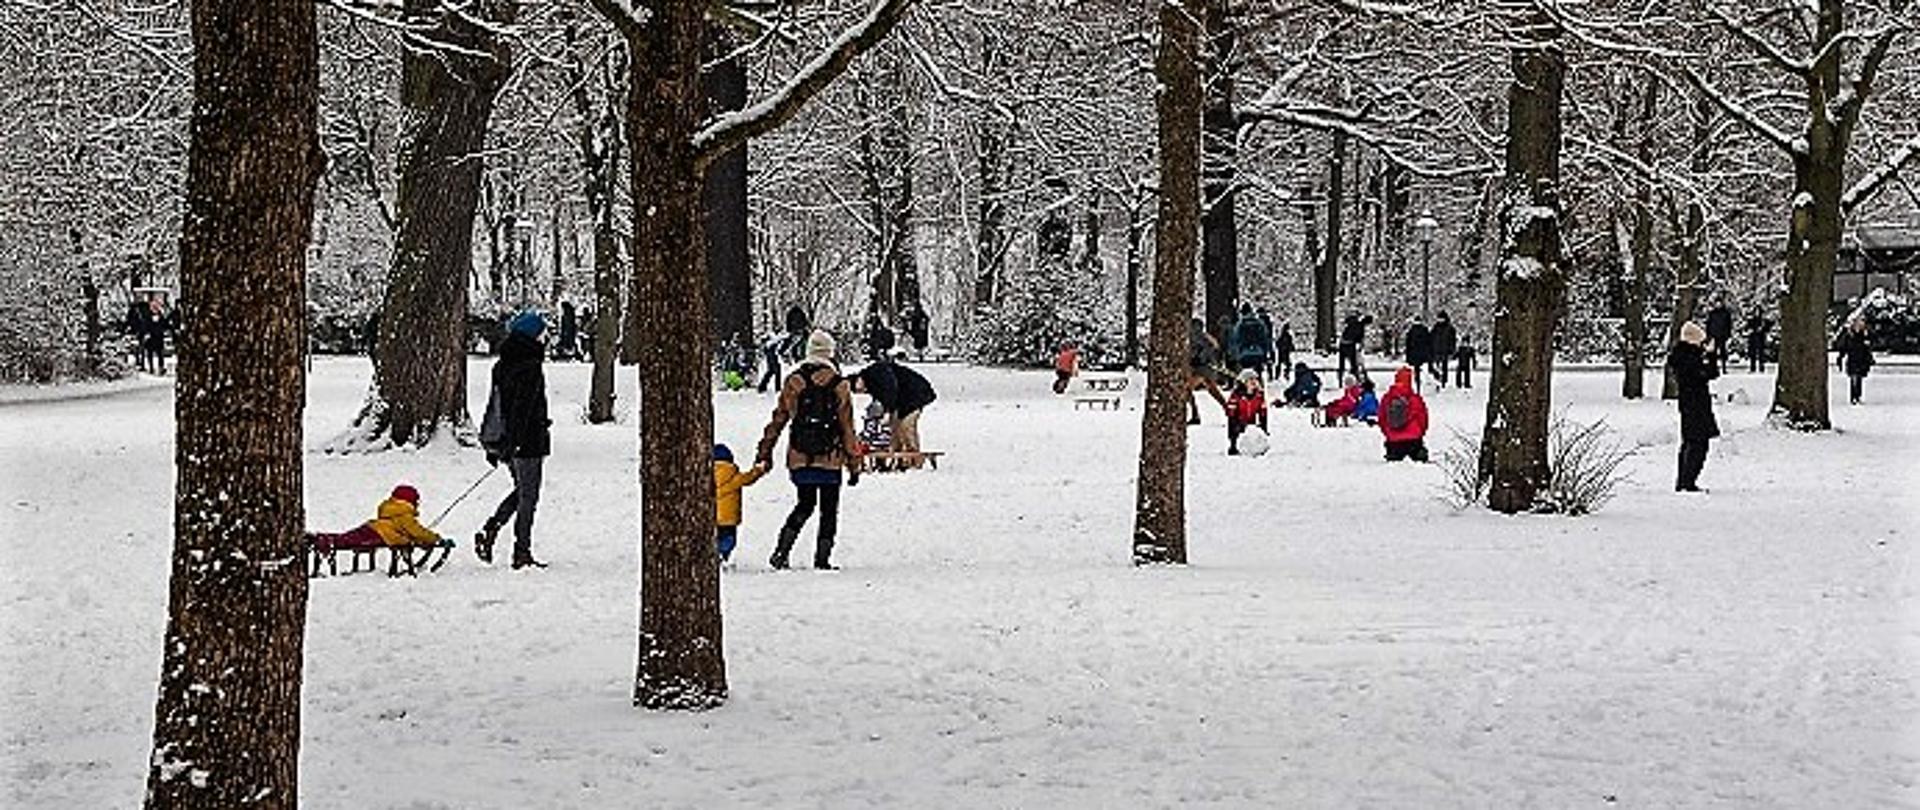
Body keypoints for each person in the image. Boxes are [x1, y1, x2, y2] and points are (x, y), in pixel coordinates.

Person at [755, 330, 864, 570]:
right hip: (830, 458)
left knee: (804, 504)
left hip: (800, 457)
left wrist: (765, 452)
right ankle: (822, 559)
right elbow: (847, 429)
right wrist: (854, 464)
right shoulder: (840, 385)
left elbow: (778, 420)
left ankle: (781, 551)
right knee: (828, 510)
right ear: (830, 353)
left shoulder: (794, 381)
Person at [476, 310, 552, 570]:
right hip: (527, 442)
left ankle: (492, 528)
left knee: (522, 491)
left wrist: (498, 442)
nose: (546, 336)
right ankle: (521, 552)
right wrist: (516, 442)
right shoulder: (530, 367)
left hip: (507, 439)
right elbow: (523, 407)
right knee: (529, 496)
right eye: (543, 332)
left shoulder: (503, 364)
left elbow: (497, 405)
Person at [851, 353, 937, 462]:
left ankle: (915, 459)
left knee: (906, 427)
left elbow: (891, 388)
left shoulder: (876, 371)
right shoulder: (871, 384)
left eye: (858, 389)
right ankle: (898, 457)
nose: (862, 392)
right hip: (903, 402)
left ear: (858, 379)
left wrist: (887, 410)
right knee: (894, 428)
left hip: (916, 395)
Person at [1668, 322, 1719, 491]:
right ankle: (1688, 481)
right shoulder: (1689, 358)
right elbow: (1708, 374)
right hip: (1696, 403)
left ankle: (1684, 480)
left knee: (1689, 442)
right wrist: (1710, 356)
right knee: (1698, 443)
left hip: (1690, 403)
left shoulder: (1683, 356)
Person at [712, 444, 769, 566]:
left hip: (713, 516)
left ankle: (715, 555)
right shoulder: (733, 476)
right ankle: (722, 555)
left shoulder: (706, 477)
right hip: (729, 518)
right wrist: (759, 469)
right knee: (729, 539)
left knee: (715, 537)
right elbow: (749, 478)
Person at [367, 484, 454, 554]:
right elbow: (417, 532)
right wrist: (436, 539)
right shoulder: (403, 514)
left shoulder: (389, 511)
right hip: (380, 535)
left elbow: (403, 531)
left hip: (370, 529)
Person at [1377, 366, 1430, 462]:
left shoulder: (1387, 398)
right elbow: (1423, 419)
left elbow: (1382, 419)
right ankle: (1418, 453)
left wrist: (1388, 434)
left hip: (1393, 440)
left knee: (1395, 454)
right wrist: (1420, 434)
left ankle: (1393, 453)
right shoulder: (1415, 399)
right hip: (1413, 439)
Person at [1187, 317, 1229, 424]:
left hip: (1199, 369)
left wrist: (1196, 359)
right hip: (1209, 369)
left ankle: (1195, 414)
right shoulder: (1207, 337)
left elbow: (1194, 352)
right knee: (1214, 391)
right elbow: (1215, 349)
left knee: (1186, 390)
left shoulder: (1193, 337)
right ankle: (1229, 410)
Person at [1225, 369, 1268, 455]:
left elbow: (1263, 412)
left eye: (1255, 379)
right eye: (1250, 379)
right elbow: (1231, 413)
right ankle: (1234, 445)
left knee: (1254, 434)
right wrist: (1234, 428)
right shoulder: (1236, 395)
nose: (1254, 382)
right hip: (1238, 422)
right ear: (1244, 382)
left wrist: (1263, 427)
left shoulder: (1259, 395)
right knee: (1236, 431)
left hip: (1251, 422)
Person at [1835, 316, 1874, 405]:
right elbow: (1843, 348)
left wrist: (1870, 358)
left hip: (1862, 360)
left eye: (1861, 323)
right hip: (1852, 359)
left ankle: (1858, 396)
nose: (1860, 325)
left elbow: (1868, 348)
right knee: (1854, 378)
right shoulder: (1849, 335)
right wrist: (1840, 358)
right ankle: (1853, 397)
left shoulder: (1865, 335)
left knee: (1859, 379)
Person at [1228, 303, 1272, 374]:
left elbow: (1234, 340)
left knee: (1245, 377)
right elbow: (1266, 339)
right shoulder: (1260, 323)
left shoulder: (1239, 325)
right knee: (1258, 374)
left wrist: (1233, 355)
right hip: (1259, 353)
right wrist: (1268, 352)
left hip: (1243, 355)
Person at [1337, 313, 1369, 383]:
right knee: (1354, 364)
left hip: (1342, 344)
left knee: (1341, 364)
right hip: (1350, 345)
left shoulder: (1353, 322)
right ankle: (1357, 380)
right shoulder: (1360, 327)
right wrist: (1360, 346)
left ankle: (1340, 379)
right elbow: (1359, 339)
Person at [1429, 312, 1458, 389]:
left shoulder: (1450, 328)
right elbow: (1431, 338)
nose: (1440, 320)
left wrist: (1452, 350)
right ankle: (1437, 379)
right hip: (1436, 350)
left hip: (1445, 350)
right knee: (1436, 366)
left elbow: (1453, 340)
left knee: (1444, 366)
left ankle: (1443, 381)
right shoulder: (1435, 328)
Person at [1404, 317, 1433, 391]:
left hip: (1415, 354)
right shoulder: (1424, 330)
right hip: (1422, 354)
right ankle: (1421, 383)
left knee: (1417, 369)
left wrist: (1408, 355)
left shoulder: (1411, 331)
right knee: (1424, 369)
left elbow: (1408, 344)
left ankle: (1418, 382)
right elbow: (1429, 342)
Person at [1706, 301, 1735, 374]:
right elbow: (1708, 324)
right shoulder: (1712, 313)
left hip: (1722, 335)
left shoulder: (1725, 313)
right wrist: (1709, 334)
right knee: (1713, 353)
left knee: (1723, 353)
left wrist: (1728, 334)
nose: (1718, 305)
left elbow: (1729, 325)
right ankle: (1713, 368)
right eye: (1717, 303)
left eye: (1719, 303)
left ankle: (1724, 368)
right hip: (1714, 335)